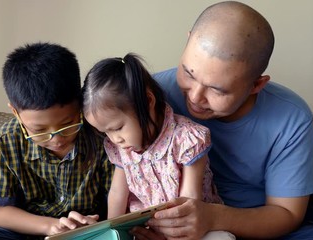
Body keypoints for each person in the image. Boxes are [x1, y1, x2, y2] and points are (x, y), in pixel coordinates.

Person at [131, 1, 313, 240]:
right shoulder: (153, 96)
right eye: (189, 73)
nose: (196, 97)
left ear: (256, 85)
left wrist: (212, 218)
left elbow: (286, 213)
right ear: (188, 41)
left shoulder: (291, 118)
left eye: (217, 90)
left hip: (260, 227)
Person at [0, 42, 113, 240]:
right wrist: (51, 226)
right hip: (26, 235)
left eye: (68, 124)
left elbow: (118, 201)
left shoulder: (102, 136)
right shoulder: (2, 144)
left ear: (80, 101)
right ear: (15, 112)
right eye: (38, 130)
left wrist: (95, 226)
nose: (56, 139)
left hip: (88, 234)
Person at [82, 53, 234, 240]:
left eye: (118, 128)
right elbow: (117, 194)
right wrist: (113, 233)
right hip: (147, 228)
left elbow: (189, 200)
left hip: (190, 225)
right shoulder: (122, 148)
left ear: (147, 102)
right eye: (105, 132)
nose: (115, 139)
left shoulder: (186, 138)